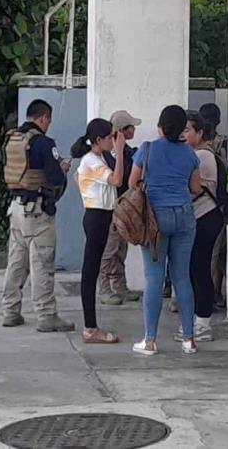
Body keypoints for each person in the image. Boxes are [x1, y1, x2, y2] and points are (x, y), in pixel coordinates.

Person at [130, 105, 202, 356]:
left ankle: (150, 340)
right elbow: (195, 188)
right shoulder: (191, 154)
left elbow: (132, 183)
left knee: (154, 278)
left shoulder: (147, 149)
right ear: (182, 128)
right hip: (184, 216)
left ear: (160, 125)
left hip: (154, 220)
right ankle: (189, 339)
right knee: (182, 277)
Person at [0, 99, 74, 332]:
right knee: (42, 262)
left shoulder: (12, 139)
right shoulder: (43, 143)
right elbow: (53, 178)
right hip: (38, 211)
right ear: (43, 118)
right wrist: (61, 168)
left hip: (16, 209)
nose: (48, 124)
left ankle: (10, 311)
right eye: (48, 120)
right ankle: (46, 315)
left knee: (16, 262)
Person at [72, 119, 127, 344]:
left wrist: (88, 193)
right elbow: (116, 179)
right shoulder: (93, 161)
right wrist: (120, 152)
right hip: (96, 216)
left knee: (92, 268)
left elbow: (77, 177)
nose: (112, 141)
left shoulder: (96, 159)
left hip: (100, 214)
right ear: (98, 140)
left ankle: (91, 326)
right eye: (109, 138)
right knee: (90, 271)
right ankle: (90, 327)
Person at [182, 110, 223, 342]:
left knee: (200, 269)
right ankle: (197, 320)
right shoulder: (193, 154)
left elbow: (196, 189)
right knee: (193, 269)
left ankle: (203, 322)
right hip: (198, 217)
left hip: (206, 217)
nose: (184, 135)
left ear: (199, 133)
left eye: (188, 130)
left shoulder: (203, 156)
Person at [98, 110, 142, 305]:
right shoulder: (111, 153)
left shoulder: (126, 151)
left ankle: (119, 285)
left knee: (120, 248)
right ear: (123, 130)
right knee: (110, 248)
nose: (134, 129)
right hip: (112, 206)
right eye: (131, 127)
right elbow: (120, 178)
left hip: (125, 207)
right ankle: (104, 288)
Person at [199, 102, 228, 310]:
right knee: (215, 254)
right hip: (217, 206)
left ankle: (205, 296)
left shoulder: (196, 152)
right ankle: (214, 293)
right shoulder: (223, 145)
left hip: (201, 209)